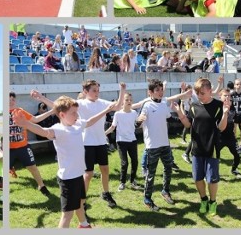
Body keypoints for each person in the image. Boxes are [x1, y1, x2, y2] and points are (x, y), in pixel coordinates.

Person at [14, 94, 118, 228]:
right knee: (67, 214)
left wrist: (106, 110)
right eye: (73, 113)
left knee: (80, 202)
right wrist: (26, 124)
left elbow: (91, 121)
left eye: (77, 112)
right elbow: (43, 131)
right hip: (68, 179)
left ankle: (84, 225)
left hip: (78, 175)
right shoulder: (58, 129)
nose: (77, 115)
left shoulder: (77, 125)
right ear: (62, 115)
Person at [176, 78, 230, 216]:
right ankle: (203, 199)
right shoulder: (194, 105)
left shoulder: (219, 105)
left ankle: (212, 201)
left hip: (212, 148)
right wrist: (180, 113)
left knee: (212, 179)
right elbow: (189, 125)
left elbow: (221, 128)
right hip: (197, 148)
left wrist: (225, 113)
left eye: (202, 93)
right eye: (197, 93)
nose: (199, 96)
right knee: (197, 178)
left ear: (210, 91)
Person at [136, 79, 191, 211]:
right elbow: (138, 122)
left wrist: (182, 117)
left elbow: (170, 119)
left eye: (161, 89)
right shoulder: (147, 105)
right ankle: (147, 199)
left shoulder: (163, 104)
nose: (160, 92)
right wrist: (138, 121)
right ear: (150, 92)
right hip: (152, 147)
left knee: (168, 169)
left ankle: (165, 191)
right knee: (151, 174)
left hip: (165, 145)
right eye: (157, 90)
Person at [8, 92, 52, 197]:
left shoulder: (20, 111)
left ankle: (41, 185)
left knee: (32, 167)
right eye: (8, 99)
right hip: (8, 149)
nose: (11, 101)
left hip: (23, 147)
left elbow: (35, 120)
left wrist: (51, 112)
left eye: (13, 99)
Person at [105, 92, 141, 191]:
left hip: (132, 140)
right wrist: (103, 134)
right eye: (126, 100)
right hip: (121, 141)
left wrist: (143, 121)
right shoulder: (118, 114)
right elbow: (113, 127)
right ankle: (122, 182)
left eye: (130, 100)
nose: (129, 101)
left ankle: (133, 180)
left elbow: (137, 125)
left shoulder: (134, 113)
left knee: (135, 161)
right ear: (122, 102)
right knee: (124, 163)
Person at [217, 88, 241, 178]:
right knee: (215, 156)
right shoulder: (217, 107)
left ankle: (234, 169)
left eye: (229, 96)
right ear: (220, 96)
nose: (227, 98)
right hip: (219, 136)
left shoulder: (232, 107)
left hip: (230, 136)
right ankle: (214, 172)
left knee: (238, 154)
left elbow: (234, 121)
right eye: (225, 95)